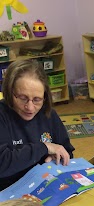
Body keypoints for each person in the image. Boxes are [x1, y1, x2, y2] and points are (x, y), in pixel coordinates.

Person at [0, 58, 74, 191]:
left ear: (45, 97)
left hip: (44, 186)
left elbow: (66, 150)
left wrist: (55, 157)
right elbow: (2, 163)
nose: (30, 107)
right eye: (22, 98)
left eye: (37, 100)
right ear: (10, 92)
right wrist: (44, 147)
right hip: (9, 193)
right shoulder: (2, 115)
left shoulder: (49, 114)